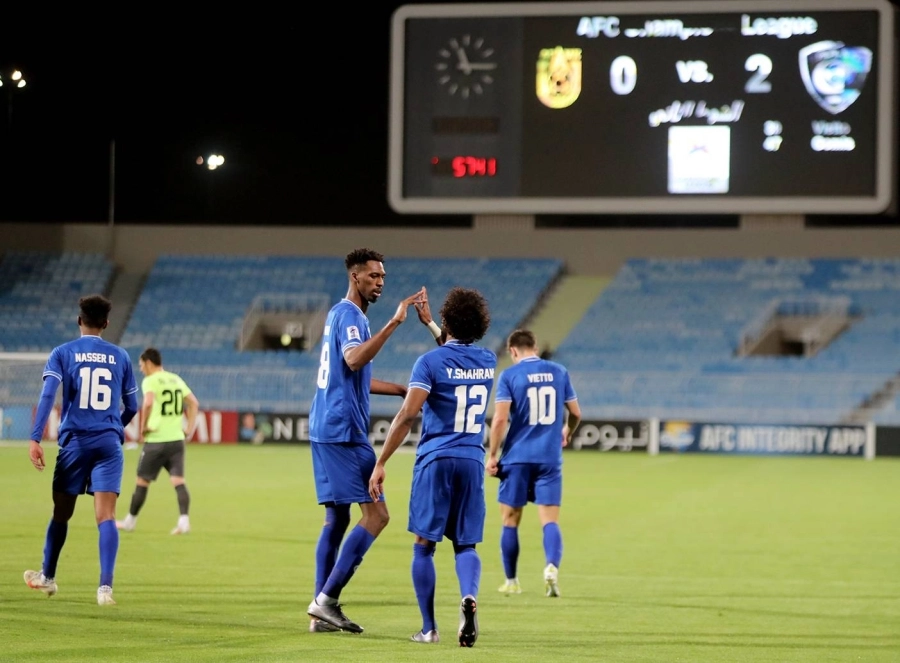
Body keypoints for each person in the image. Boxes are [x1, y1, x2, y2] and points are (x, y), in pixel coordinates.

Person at [306, 247, 438, 634]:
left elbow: (353, 376)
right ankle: (325, 601)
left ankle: (321, 611)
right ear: (355, 277)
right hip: (343, 432)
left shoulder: (338, 313)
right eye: (373, 276)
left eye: (383, 277)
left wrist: (400, 389)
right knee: (377, 515)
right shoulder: (351, 316)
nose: (380, 283)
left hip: (325, 427)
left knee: (337, 518)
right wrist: (395, 322)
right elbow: (353, 361)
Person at [369, 286, 496, 647]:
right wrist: (433, 327)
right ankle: (469, 597)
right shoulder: (487, 361)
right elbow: (457, 354)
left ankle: (429, 628)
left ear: (447, 319)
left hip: (436, 459)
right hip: (472, 459)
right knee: (466, 545)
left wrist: (381, 461)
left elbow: (408, 414)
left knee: (424, 546)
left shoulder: (429, 363)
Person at [24, 294, 139, 606]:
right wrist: (115, 425)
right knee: (106, 516)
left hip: (75, 442)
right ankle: (105, 589)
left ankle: (47, 577)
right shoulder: (121, 356)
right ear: (105, 323)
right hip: (108, 444)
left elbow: (48, 395)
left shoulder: (63, 353)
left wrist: (35, 437)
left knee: (61, 513)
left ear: (79, 321)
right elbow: (133, 406)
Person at [486, 329, 581, 598]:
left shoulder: (510, 375)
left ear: (513, 351)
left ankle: (512, 581)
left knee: (510, 520)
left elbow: (501, 420)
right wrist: (567, 430)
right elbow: (575, 413)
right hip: (549, 458)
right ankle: (551, 567)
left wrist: (492, 455)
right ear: (535, 347)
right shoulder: (559, 371)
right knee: (550, 521)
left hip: (517, 458)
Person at [116, 348, 199, 535]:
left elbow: (147, 402)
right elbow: (194, 402)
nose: (141, 369)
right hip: (177, 440)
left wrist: (143, 426)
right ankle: (184, 521)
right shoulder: (175, 379)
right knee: (178, 481)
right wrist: (189, 428)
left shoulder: (150, 381)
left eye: (141, 365)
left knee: (142, 481)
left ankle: (130, 521)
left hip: (156, 440)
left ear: (148, 362)